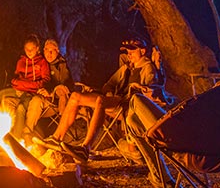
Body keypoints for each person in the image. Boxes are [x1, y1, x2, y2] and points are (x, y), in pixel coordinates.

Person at [123, 4, 220, 186]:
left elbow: (207, 116)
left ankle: (160, 177)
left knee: (136, 102)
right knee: (133, 120)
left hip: (206, 151)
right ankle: (160, 177)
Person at [36, 37, 164, 165]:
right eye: (127, 51)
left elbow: (147, 95)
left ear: (142, 51)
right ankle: (56, 138)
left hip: (126, 105)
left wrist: (133, 91)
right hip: (113, 100)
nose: (129, 54)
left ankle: (85, 148)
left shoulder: (148, 68)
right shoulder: (127, 68)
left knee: (100, 101)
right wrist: (109, 92)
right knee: (75, 96)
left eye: (132, 51)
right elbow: (109, 84)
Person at [0, 34, 50, 139]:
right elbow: (13, 80)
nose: (29, 52)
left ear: (37, 48)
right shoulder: (21, 61)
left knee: (20, 109)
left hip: (30, 94)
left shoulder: (42, 62)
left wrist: (24, 85)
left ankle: (16, 139)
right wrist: (25, 84)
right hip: (17, 90)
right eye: (27, 49)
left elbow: (44, 82)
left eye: (32, 49)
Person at [22, 39, 74, 141]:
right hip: (35, 96)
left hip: (53, 104)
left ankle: (29, 135)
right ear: (43, 50)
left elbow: (66, 86)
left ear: (57, 51)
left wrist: (51, 92)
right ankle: (22, 135)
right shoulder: (39, 62)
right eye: (46, 50)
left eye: (52, 51)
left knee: (38, 101)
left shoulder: (61, 65)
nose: (49, 54)